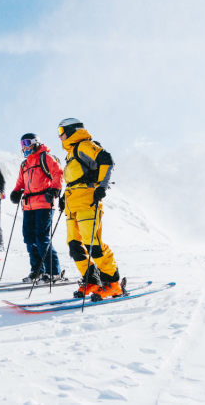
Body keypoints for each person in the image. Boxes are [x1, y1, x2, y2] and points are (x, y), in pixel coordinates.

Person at [57, 118, 122, 299]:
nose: (60, 135)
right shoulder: (70, 154)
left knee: (93, 245)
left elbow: (106, 159)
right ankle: (91, 280)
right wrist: (64, 198)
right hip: (72, 203)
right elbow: (74, 179)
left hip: (87, 201)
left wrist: (101, 187)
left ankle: (113, 283)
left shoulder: (84, 145)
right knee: (74, 246)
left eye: (61, 130)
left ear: (72, 130)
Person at [10, 133, 64, 282]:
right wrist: (16, 192)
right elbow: (20, 183)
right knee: (29, 239)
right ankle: (38, 270)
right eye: (22, 144)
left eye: (27, 143)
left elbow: (58, 172)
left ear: (35, 143)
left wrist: (55, 189)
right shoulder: (24, 164)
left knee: (41, 238)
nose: (25, 147)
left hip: (44, 203)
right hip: (29, 206)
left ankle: (54, 272)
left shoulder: (45, 157)